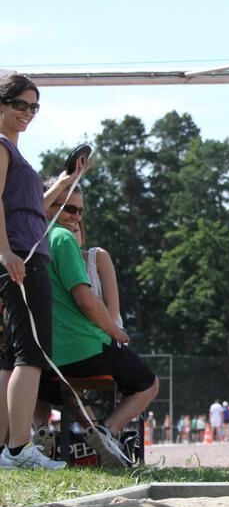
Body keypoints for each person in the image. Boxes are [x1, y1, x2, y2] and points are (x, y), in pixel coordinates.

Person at [0, 75, 87, 470]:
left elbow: (33, 206)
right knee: (30, 354)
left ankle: (10, 446)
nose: (28, 113)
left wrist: (67, 182)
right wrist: (4, 252)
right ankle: (18, 449)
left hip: (23, 251)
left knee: (12, 357)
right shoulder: (2, 148)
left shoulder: (14, 153)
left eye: (34, 107)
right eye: (20, 104)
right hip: (20, 256)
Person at [42, 183, 158, 467]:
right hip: (83, 346)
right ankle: (107, 431)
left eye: (80, 211)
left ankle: (39, 432)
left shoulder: (25, 240)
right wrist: (115, 332)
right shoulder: (62, 238)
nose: (76, 217)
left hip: (43, 356)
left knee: (37, 382)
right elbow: (87, 301)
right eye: (70, 208)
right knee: (148, 383)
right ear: (48, 204)